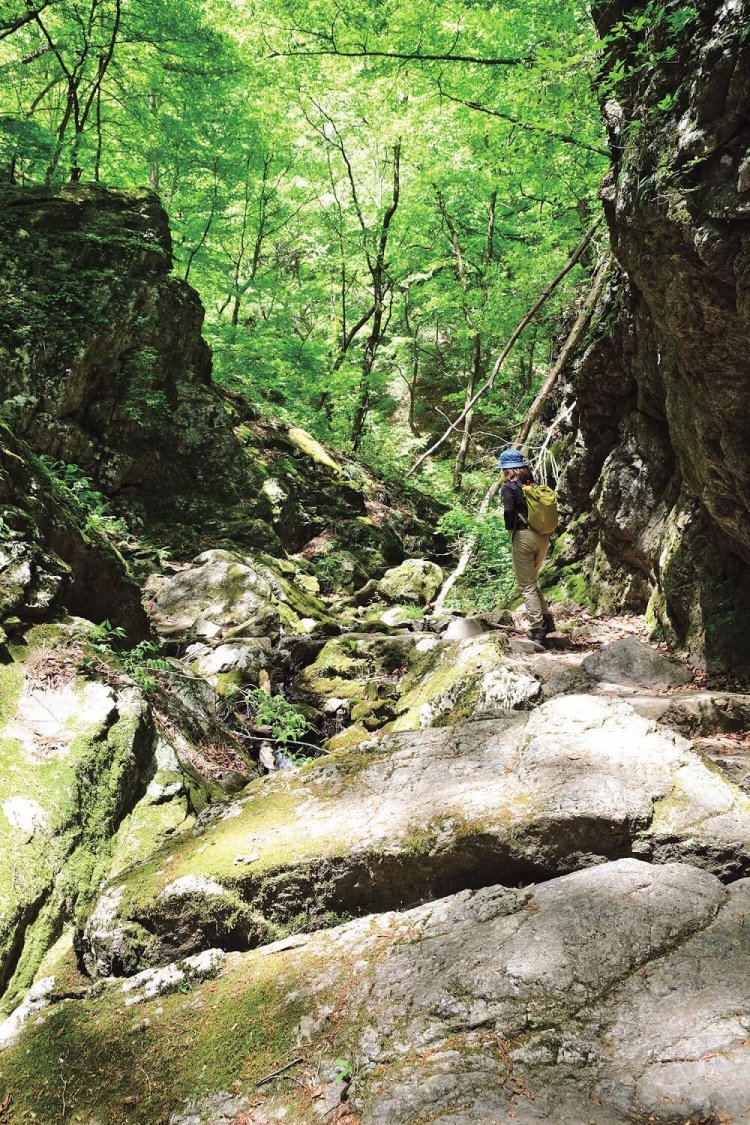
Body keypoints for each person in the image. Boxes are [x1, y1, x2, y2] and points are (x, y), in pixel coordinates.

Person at [498, 449, 554, 646]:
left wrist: (510, 531)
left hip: (524, 537)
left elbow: (509, 511)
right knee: (531, 581)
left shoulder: (508, 487)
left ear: (506, 469)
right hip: (543, 537)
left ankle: (538, 629)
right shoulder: (532, 484)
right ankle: (547, 620)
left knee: (527, 585)